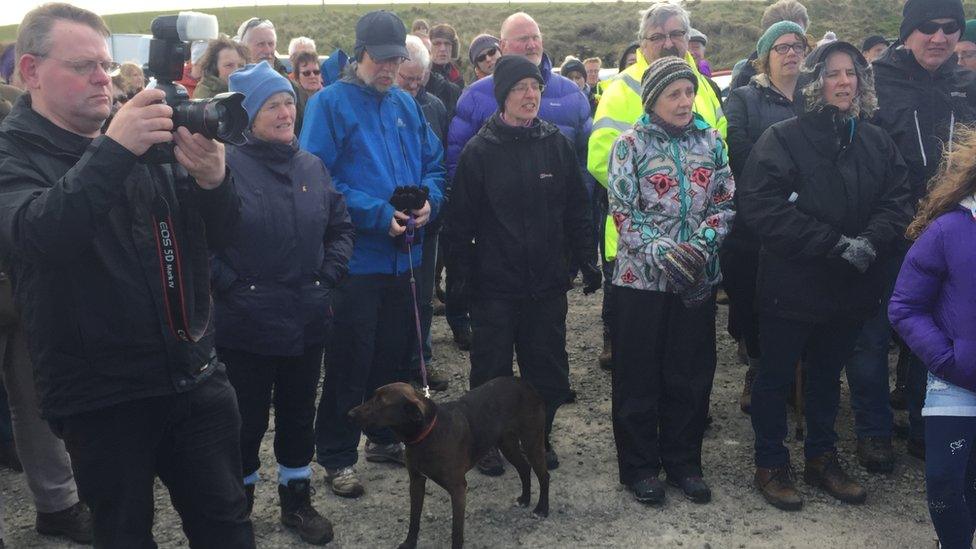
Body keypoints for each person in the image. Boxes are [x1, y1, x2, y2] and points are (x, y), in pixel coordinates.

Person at [0, 3, 254, 546]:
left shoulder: (139, 133)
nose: (102, 78)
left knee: (228, 527)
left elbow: (226, 236)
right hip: (103, 396)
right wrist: (114, 150)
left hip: (194, 374)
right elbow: (38, 239)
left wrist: (213, 182)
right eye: (83, 66)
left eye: (107, 66)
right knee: (123, 535)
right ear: (30, 71)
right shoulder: (12, 153)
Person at [740, 41, 912, 511]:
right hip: (790, 287)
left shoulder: (875, 140)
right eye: (833, 74)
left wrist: (872, 242)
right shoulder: (782, 138)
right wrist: (832, 244)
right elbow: (762, 206)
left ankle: (821, 457)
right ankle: (771, 462)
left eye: (852, 73)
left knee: (825, 377)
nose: (844, 82)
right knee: (774, 378)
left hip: (850, 287)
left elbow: (897, 199)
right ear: (815, 82)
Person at [300, 10, 444, 499]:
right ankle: (337, 455)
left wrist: (430, 202)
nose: (387, 68)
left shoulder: (406, 104)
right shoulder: (329, 104)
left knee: (393, 354)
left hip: (407, 256)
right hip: (357, 258)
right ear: (358, 54)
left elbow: (435, 164)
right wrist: (374, 213)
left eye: (395, 59)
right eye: (380, 59)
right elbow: (318, 177)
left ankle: (382, 436)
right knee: (349, 358)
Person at [216, 61, 352, 545]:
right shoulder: (224, 165)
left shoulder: (310, 166)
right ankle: (240, 507)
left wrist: (328, 276)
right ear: (248, 115)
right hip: (246, 326)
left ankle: (297, 501)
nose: (284, 111)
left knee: (298, 415)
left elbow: (340, 228)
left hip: (305, 320)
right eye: (272, 104)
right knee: (244, 422)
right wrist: (231, 285)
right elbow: (201, 241)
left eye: (289, 102)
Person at [444, 54, 600, 477]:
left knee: (547, 369)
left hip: (547, 282)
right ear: (502, 96)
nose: (530, 95)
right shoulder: (480, 151)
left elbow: (576, 209)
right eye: (519, 89)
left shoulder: (557, 144)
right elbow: (459, 222)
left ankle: (537, 436)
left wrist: (587, 259)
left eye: (535, 87)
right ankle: (488, 442)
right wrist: (457, 281)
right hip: (495, 284)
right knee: (491, 369)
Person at [607, 56, 734, 506]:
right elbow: (623, 211)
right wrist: (665, 253)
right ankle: (640, 467)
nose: (684, 102)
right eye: (673, 94)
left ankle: (684, 463)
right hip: (640, 282)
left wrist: (699, 247)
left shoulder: (712, 141)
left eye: (688, 92)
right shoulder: (629, 145)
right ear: (653, 100)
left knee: (690, 374)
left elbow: (724, 202)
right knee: (638, 375)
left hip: (695, 279)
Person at [588, 1, 726, 377]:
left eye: (676, 34)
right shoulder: (621, 89)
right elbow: (601, 162)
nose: (668, 43)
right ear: (642, 43)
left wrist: (698, 242)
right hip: (637, 253)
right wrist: (662, 238)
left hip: (699, 257)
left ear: (688, 38)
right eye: (658, 36)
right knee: (640, 366)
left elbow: (720, 167)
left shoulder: (705, 88)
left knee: (688, 365)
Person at [864, 0, 976, 463]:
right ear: (907, 31)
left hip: (946, 230)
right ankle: (873, 430)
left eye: (950, 28)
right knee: (871, 332)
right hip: (886, 227)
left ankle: (923, 423)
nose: (940, 37)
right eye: (927, 27)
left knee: (931, 330)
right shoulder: (876, 80)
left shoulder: (965, 83)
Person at [889, 127, 976, 549]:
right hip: (955, 380)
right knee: (944, 481)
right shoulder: (949, 229)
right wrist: (945, 359)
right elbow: (905, 305)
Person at [723, 21, 806, 413]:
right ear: (764, 56)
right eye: (782, 47)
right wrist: (788, 174)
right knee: (753, 295)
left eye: (798, 46)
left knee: (798, 297)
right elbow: (738, 149)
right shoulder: (742, 98)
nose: (791, 53)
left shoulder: (813, 97)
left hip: (806, 215)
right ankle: (757, 366)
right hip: (755, 218)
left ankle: (797, 371)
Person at [395, 34, 451, 392]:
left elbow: (439, 161)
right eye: (407, 79)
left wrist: (431, 200)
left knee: (424, 295)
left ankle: (421, 360)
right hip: (392, 220)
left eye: (420, 80)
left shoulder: (435, 108)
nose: (414, 87)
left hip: (426, 219)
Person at [236, 17, 305, 135]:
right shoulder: (230, 87)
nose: (267, 50)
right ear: (243, 48)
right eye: (260, 44)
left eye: (271, 44)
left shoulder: (291, 87)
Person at [730, 0, 810, 90]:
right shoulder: (745, 89)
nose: (792, 52)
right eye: (783, 46)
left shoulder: (815, 76)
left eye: (799, 42)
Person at [429, 23, 465, 87]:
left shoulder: (457, 77)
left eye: (447, 44)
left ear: (453, 48)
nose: (443, 49)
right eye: (437, 43)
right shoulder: (421, 75)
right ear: (429, 47)